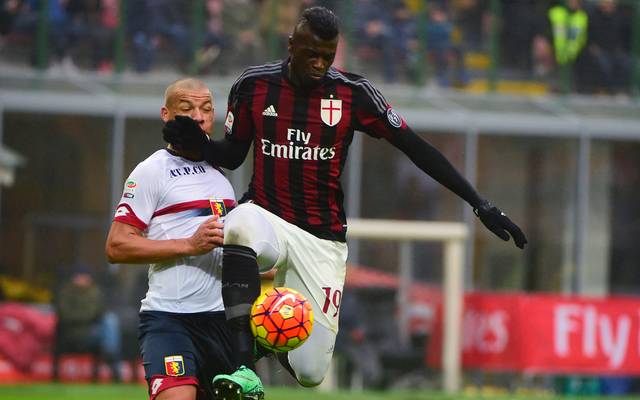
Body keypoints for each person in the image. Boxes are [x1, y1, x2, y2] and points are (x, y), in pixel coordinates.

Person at [165, 7, 527, 400]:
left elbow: (416, 148)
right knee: (238, 225)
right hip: (267, 217)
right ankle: (241, 367)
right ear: (292, 46)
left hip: (322, 239)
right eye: (311, 54)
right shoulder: (253, 85)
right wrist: (200, 144)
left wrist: (479, 203)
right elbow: (234, 155)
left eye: (328, 56)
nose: (320, 64)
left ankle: (259, 339)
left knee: (310, 373)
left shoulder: (353, 93)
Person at [105, 78, 243, 400]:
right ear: (166, 115)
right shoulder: (151, 171)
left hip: (221, 323)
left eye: (206, 109)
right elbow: (116, 245)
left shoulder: (221, 176)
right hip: (170, 320)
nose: (198, 117)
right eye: (187, 108)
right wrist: (188, 245)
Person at [52, 265, 122, 382]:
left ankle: (110, 353)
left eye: (86, 276)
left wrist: (89, 316)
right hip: (72, 332)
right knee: (109, 327)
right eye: (81, 276)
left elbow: (100, 311)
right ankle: (111, 360)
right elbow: (66, 315)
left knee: (110, 320)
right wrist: (88, 315)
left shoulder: (95, 291)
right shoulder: (65, 292)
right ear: (74, 278)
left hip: (92, 331)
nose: (84, 279)